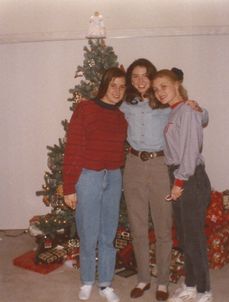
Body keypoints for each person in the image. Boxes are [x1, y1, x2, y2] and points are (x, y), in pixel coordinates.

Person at [120, 58, 208, 301]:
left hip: (161, 166)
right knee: (137, 227)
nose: (140, 81)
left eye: (144, 75)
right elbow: (106, 106)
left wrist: (199, 107)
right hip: (134, 165)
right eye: (134, 76)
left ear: (153, 77)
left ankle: (162, 282)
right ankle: (143, 279)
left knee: (163, 228)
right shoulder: (126, 104)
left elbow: (198, 117)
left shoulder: (165, 103)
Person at [63, 67, 127, 302]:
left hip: (113, 176)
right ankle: (88, 280)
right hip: (88, 177)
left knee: (108, 233)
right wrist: (69, 186)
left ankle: (106, 284)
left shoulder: (121, 116)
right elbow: (73, 149)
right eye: (113, 85)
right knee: (88, 232)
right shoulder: (86, 108)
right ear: (105, 85)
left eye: (122, 87)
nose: (117, 91)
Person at [152, 69, 212, 302]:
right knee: (185, 237)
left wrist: (179, 182)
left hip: (189, 178)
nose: (159, 92)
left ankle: (205, 290)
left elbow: (190, 150)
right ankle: (191, 284)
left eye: (164, 86)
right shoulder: (176, 111)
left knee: (194, 237)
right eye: (156, 89)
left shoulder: (186, 110)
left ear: (177, 84)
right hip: (179, 175)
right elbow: (203, 118)